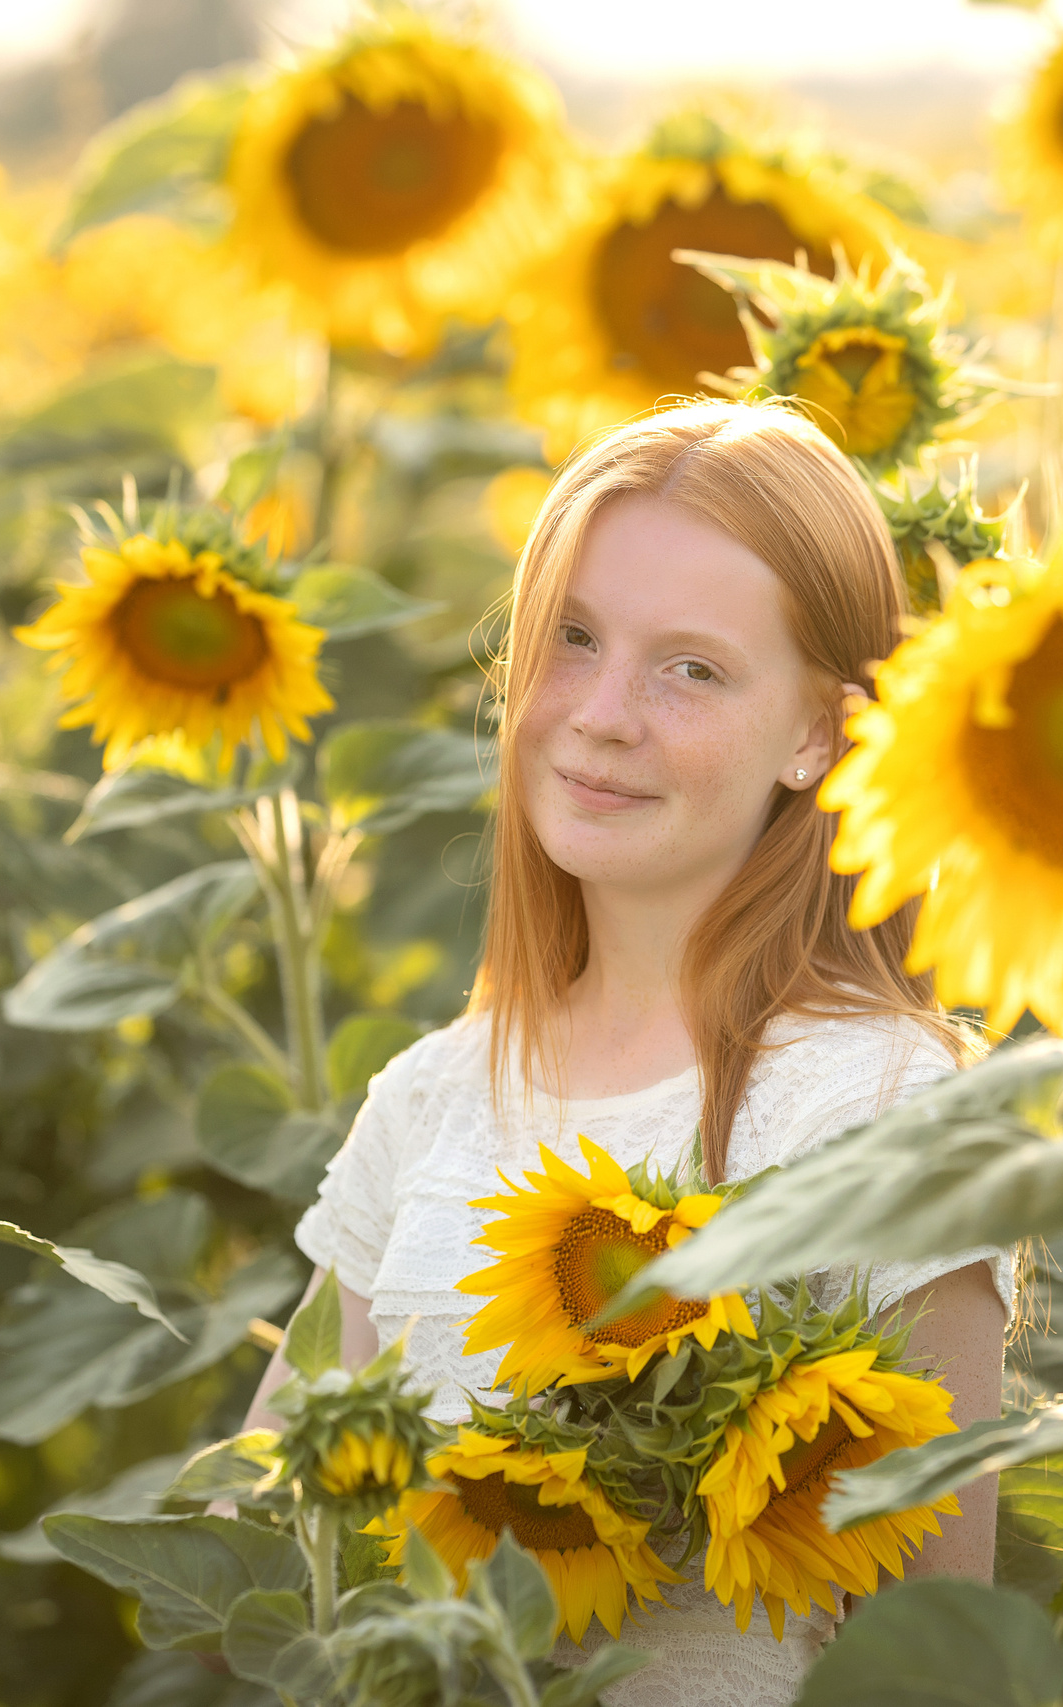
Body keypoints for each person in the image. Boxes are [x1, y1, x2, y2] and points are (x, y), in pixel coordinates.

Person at [240, 399, 1012, 1706]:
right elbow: (253, 1571)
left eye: (691, 669)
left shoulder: (883, 1105)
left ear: (822, 733)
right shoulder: (436, 1094)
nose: (599, 714)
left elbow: (944, 1662)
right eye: (576, 640)